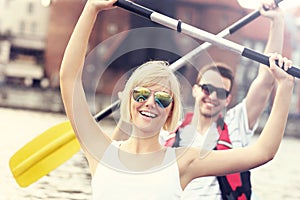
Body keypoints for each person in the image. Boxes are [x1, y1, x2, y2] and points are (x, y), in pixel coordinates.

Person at [59, 0, 294, 199]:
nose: (150, 102)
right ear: (128, 99)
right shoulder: (100, 150)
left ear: (171, 111)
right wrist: (91, 8)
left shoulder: (183, 161)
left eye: (162, 98)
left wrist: (284, 86)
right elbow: (69, 79)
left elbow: (263, 152)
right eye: (141, 94)